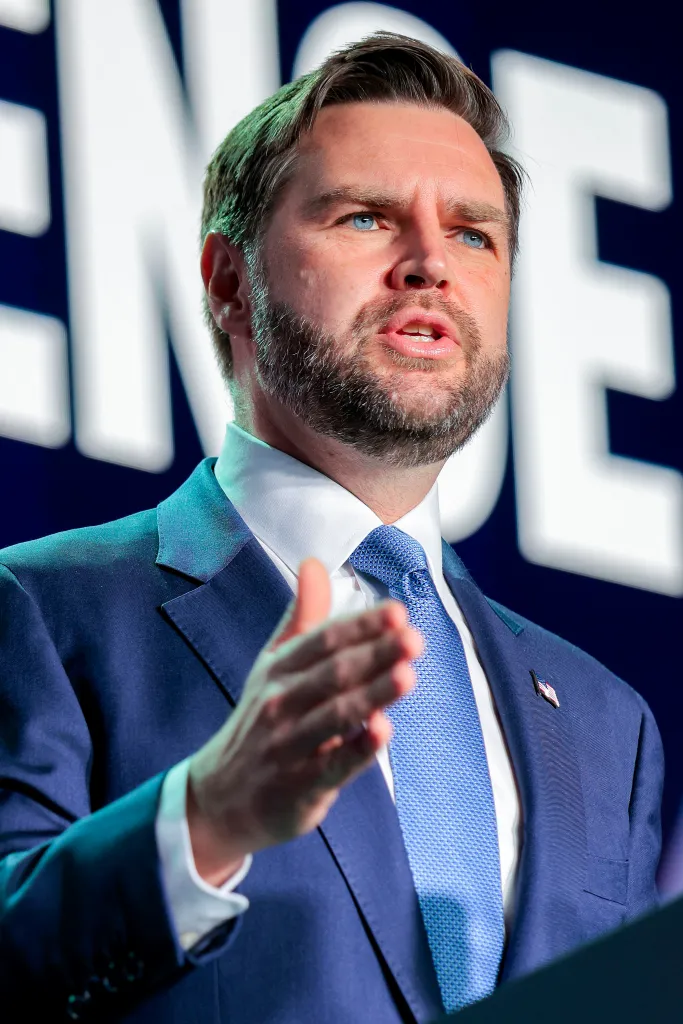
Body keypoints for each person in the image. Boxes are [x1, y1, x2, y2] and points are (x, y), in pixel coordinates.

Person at [0, 32, 663, 1024]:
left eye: (474, 234)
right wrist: (206, 816)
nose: (430, 263)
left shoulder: (613, 728)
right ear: (229, 282)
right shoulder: (42, 609)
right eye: (366, 217)